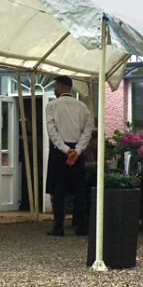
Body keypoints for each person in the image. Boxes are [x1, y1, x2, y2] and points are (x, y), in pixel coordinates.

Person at [44, 75, 93, 237]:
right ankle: (81, 226)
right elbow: (87, 132)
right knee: (79, 189)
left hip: (60, 152)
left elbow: (52, 132)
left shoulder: (52, 106)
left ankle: (59, 226)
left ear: (61, 86)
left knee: (58, 190)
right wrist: (77, 150)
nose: (54, 89)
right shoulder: (83, 107)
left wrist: (65, 150)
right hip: (77, 152)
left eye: (56, 86)